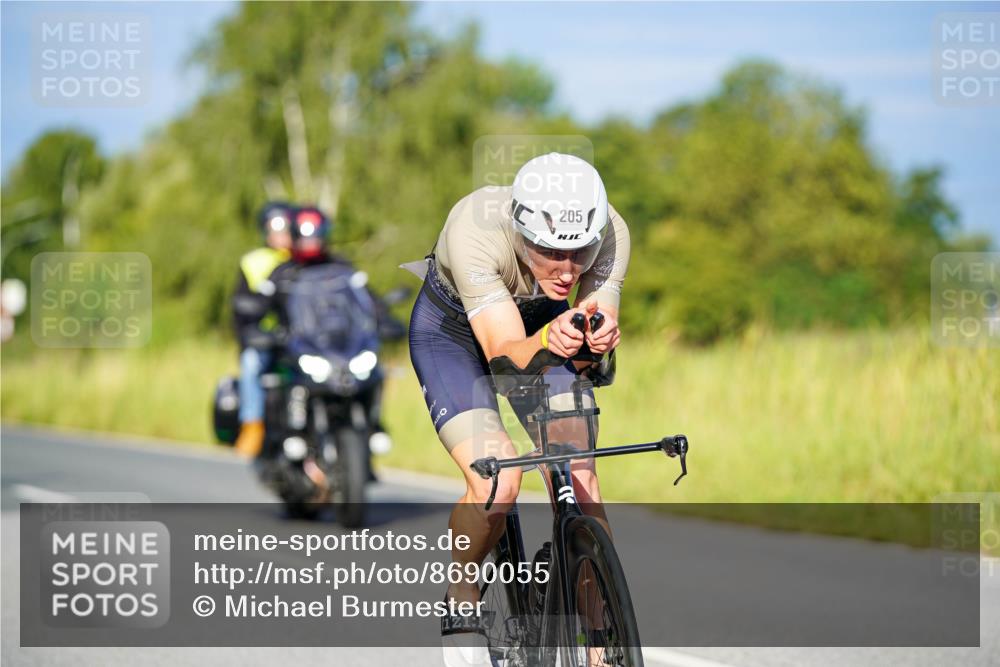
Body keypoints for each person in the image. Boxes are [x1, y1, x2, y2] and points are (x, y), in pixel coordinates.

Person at [406, 153, 629, 662]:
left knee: (581, 479)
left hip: (548, 328)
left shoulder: (612, 231)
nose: (569, 269)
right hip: (457, 336)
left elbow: (596, 337)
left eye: (582, 252)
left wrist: (598, 342)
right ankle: (463, 591)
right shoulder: (473, 229)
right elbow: (506, 357)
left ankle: (597, 637)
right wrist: (552, 335)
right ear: (521, 229)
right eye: (551, 252)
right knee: (497, 480)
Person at [264, 205, 399, 470]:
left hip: (341, 350)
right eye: (305, 235)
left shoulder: (343, 270)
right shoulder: (282, 274)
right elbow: (254, 308)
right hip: (299, 350)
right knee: (274, 378)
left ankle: (374, 425)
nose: (310, 241)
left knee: (376, 372)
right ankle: (286, 435)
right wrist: (259, 331)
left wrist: (386, 322)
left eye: (315, 234)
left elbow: (368, 303)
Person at [232, 201, 294, 458]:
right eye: (275, 228)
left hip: (305, 337)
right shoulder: (253, 262)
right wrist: (250, 336)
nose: (281, 235)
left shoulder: (309, 257)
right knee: (251, 363)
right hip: (267, 339)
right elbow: (239, 306)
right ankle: (252, 425)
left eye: (286, 228)